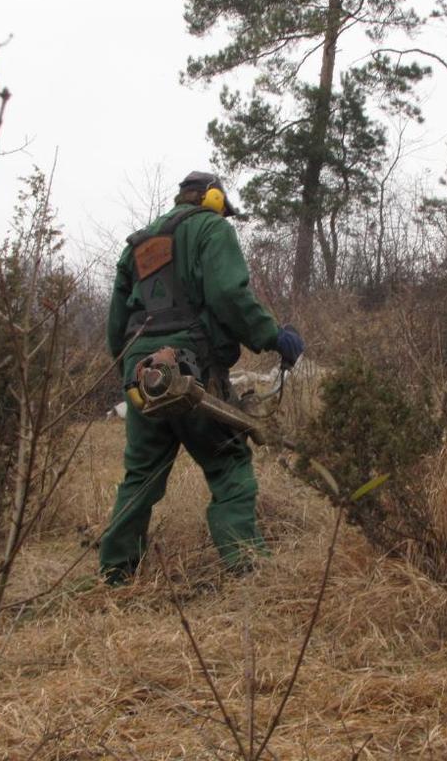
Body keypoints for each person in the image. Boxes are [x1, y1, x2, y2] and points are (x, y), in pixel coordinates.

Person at [100, 171, 304, 586]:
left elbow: (116, 324)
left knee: (141, 474)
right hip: (191, 367)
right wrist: (272, 337)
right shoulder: (212, 228)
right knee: (229, 463)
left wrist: (132, 365)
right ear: (213, 200)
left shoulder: (137, 245)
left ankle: (116, 573)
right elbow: (229, 295)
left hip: (142, 374)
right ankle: (247, 568)